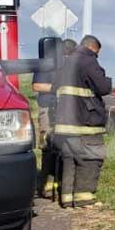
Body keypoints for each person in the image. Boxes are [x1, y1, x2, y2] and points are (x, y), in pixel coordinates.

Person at [53, 35, 113, 208]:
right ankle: (83, 199)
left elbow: (54, 89)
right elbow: (103, 87)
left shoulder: (65, 63)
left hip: (64, 125)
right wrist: (107, 80)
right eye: (97, 54)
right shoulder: (88, 61)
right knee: (90, 159)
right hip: (84, 123)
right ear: (93, 48)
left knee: (70, 161)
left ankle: (66, 198)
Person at [31, 39, 76, 199]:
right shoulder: (46, 64)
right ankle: (45, 187)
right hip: (47, 109)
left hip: (64, 111)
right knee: (48, 148)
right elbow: (36, 86)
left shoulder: (70, 66)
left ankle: (60, 185)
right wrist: (57, 87)